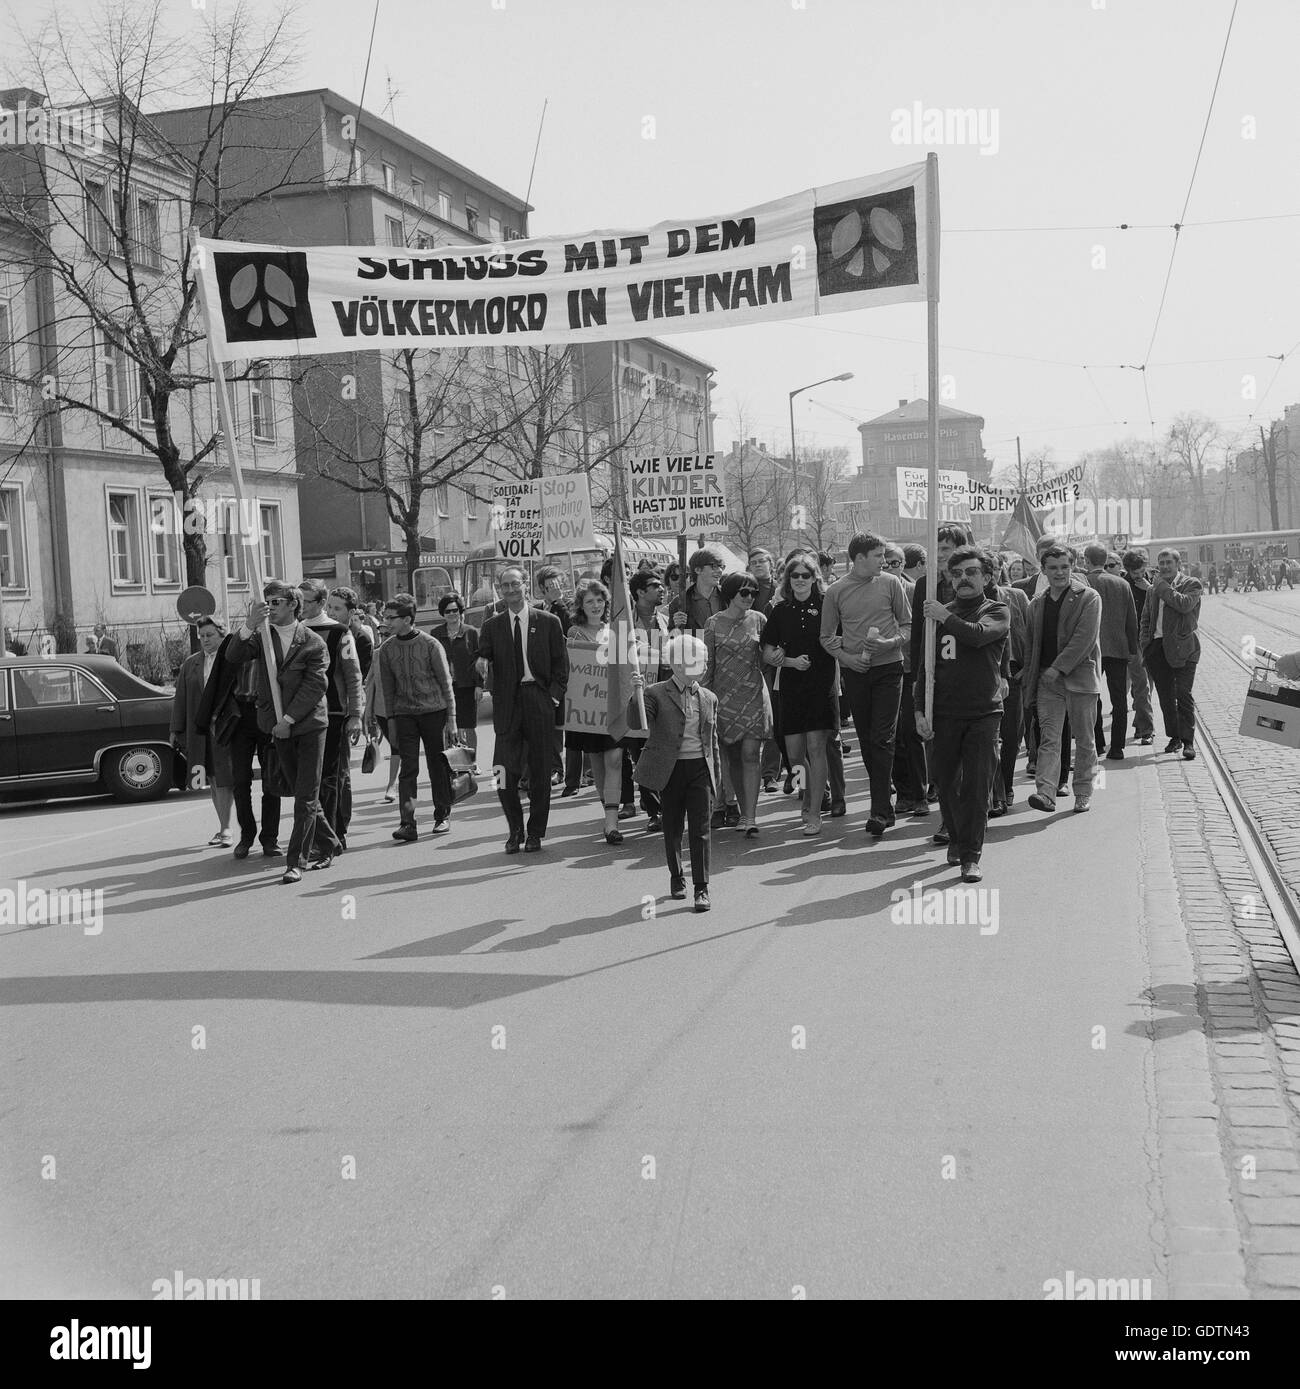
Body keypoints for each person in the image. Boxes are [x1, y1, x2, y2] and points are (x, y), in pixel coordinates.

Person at [224, 580, 330, 885]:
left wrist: (288, 718)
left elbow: (315, 686)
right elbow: (233, 656)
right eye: (266, 602)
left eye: (276, 602)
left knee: (305, 796)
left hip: (309, 725)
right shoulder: (263, 637)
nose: (270, 607)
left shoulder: (312, 641)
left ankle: (295, 861)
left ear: (293, 604)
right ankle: (331, 843)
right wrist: (247, 625)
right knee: (300, 791)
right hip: (276, 727)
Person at [914, 546, 1009, 882]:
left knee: (977, 786)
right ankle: (955, 837)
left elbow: (980, 636)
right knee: (946, 783)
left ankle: (971, 856)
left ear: (986, 577)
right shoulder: (938, 614)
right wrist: (918, 711)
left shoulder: (995, 609)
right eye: (956, 574)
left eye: (971, 572)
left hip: (984, 712)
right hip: (943, 713)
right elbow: (924, 667)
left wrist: (945, 618)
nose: (964, 579)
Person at [823, 531, 912, 839]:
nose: (883, 562)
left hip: (889, 668)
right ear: (859, 558)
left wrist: (890, 642)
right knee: (866, 738)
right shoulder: (836, 591)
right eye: (877, 556)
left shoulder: (891, 583)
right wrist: (847, 659)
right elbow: (826, 637)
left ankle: (878, 810)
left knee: (883, 737)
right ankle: (884, 807)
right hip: (856, 673)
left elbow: (908, 625)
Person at [477, 565, 568, 853]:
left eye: (516, 584)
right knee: (503, 773)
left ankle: (535, 833)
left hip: (539, 701)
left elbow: (561, 666)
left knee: (541, 773)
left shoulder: (549, 622)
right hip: (508, 705)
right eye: (505, 586)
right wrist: (480, 664)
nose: (511, 590)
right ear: (500, 591)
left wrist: (552, 698)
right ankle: (514, 829)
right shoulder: (492, 626)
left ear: (526, 586)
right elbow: (483, 656)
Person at [629, 634, 720, 913]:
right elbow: (637, 723)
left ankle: (702, 888)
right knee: (672, 828)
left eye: (705, 660)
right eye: (699, 661)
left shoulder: (709, 697)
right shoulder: (655, 692)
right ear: (679, 664)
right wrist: (635, 694)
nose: (705, 665)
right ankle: (676, 877)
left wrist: (717, 777)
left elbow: (712, 741)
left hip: (699, 770)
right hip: (669, 770)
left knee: (701, 830)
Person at [762, 550, 837, 835]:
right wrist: (789, 661)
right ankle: (805, 793)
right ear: (787, 579)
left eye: (806, 575)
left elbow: (840, 638)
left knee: (817, 748)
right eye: (795, 576)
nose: (801, 580)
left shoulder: (828, 604)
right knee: (794, 754)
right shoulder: (781, 610)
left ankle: (814, 811)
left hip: (821, 684)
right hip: (791, 686)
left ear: (815, 577)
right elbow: (768, 652)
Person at [1022, 545, 1102, 814]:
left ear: (1073, 567)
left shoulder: (1089, 597)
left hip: (1079, 679)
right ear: (1043, 570)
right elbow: (1032, 645)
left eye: (1064, 567)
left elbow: (1084, 639)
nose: (1059, 572)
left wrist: (1058, 667)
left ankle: (1083, 791)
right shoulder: (1037, 604)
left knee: (1085, 740)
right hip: (1048, 683)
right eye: (1053, 568)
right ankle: (1045, 792)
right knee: (1049, 738)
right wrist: (1030, 676)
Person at [378, 593, 457, 842]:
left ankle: (442, 815)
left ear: (408, 619)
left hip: (434, 712)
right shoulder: (386, 649)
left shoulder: (431, 644)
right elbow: (388, 690)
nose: (387, 622)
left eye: (392, 618)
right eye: (385, 617)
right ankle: (408, 822)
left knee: (437, 766)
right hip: (404, 715)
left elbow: (446, 683)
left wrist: (452, 717)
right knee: (408, 770)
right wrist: (390, 720)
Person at [563, 580, 633, 845]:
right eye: (589, 601)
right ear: (581, 605)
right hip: (588, 711)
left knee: (615, 759)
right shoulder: (574, 633)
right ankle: (608, 807)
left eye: (600, 600)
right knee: (598, 764)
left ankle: (611, 824)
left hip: (613, 708)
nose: (595, 606)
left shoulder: (615, 632)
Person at [298, 579, 363, 859]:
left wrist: (356, 714)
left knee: (330, 779)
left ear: (320, 603)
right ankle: (317, 835)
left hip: (334, 712)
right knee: (308, 781)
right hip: (301, 714)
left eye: (306, 602)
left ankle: (333, 835)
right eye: (297, 601)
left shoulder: (340, 632)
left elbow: (353, 673)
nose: (301, 606)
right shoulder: (295, 631)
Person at [703, 572, 772, 837]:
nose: (750, 598)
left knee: (751, 754)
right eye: (745, 592)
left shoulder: (760, 620)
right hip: (723, 698)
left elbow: (767, 657)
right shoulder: (713, 623)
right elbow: (708, 665)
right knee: (732, 757)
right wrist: (706, 701)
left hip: (754, 694)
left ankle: (751, 816)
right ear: (730, 593)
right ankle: (742, 811)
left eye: (754, 593)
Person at [170, 615, 235, 846]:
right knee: (213, 778)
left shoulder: (230, 659)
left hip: (227, 728)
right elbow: (181, 699)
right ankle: (223, 826)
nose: (205, 640)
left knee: (226, 778)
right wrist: (176, 730)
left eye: (210, 635)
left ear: (222, 634)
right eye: (202, 636)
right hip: (201, 730)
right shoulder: (191, 663)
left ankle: (227, 828)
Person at [1140, 547, 1202, 760]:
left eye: (1169, 562)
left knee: (1183, 694)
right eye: (1161, 563)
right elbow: (1146, 619)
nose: (1164, 566)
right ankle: (1174, 736)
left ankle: (1188, 742)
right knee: (1166, 697)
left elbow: (1184, 605)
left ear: (1178, 565)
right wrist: (1144, 645)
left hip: (1184, 649)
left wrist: (1162, 587)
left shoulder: (1191, 584)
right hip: (1157, 649)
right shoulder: (1152, 590)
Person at [1083, 542, 1140, 760]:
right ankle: (1117, 747)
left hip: (1091, 650)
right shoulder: (1121, 583)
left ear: (1086, 560)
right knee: (1119, 700)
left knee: (1093, 698)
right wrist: (1132, 648)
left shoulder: (1083, 582)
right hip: (1118, 648)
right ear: (1105, 559)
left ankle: (1098, 744)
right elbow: (1131, 619)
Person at [629, 568, 672, 832]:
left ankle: (669, 806)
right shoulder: (621, 623)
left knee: (664, 750)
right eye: (655, 585)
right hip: (634, 696)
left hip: (664, 694)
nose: (661, 589)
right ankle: (653, 810)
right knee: (640, 754)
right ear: (639, 593)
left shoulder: (668, 621)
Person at [430, 593, 483, 758]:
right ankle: (454, 761)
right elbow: (431, 662)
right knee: (447, 726)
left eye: (455, 610)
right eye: (447, 611)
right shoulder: (436, 633)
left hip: (466, 687)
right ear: (443, 614)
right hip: (444, 688)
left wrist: (479, 685)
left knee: (468, 726)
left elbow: (479, 661)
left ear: (460, 611)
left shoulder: (471, 633)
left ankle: (471, 761)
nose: (452, 614)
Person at [363, 607, 402, 803]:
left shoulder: (403, 651)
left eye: (387, 633)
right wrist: (367, 714)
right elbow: (370, 684)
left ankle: (396, 783)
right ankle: (393, 785)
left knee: (399, 747)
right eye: (381, 633)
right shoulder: (377, 654)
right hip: (382, 711)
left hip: (405, 709)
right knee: (396, 746)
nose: (384, 637)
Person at [1120, 551, 1156, 746]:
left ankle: (1140, 721)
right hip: (1134, 642)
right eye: (1134, 573)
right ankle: (1146, 729)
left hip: (1154, 640)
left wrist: (1149, 588)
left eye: (1141, 571)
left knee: (1147, 686)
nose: (1139, 576)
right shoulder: (1123, 584)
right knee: (1141, 685)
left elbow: (1167, 602)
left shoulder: (1155, 580)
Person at [327, 586, 373, 682]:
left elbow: (358, 676)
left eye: (337, 609)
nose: (330, 613)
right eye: (329, 607)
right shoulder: (321, 631)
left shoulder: (362, 639)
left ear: (351, 612)